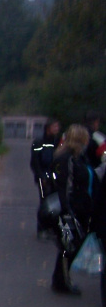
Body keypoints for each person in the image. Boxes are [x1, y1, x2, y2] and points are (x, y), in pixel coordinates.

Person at [50, 124, 96, 295]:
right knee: (68, 246)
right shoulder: (66, 159)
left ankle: (61, 279)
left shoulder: (79, 157)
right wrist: (68, 211)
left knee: (72, 245)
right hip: (73, 209)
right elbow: (64, 187)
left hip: (81, 207)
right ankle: (61, 281)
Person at [30, 118, 61, 239]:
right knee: (44, 203)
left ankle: (51, 228)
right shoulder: (38, 143)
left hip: (55, 179)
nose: (57, 129)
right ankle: (41, 229)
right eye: (55, 127)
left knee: (54, 203)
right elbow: (34, 162)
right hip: (43, 179)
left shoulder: (58, 142)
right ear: (48, 128)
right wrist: (41, 177)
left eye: (58, 127)